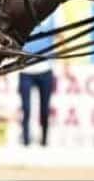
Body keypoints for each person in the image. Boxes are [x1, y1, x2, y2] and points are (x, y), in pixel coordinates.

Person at [18, 14, 57, 147]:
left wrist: (65, 63)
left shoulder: (53, 15)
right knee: (26, 108)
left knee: (45, 109)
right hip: (26, 70)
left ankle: (44, 140)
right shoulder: (24, 15)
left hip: (45, 69)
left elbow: (60, 36)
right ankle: (25, 140)